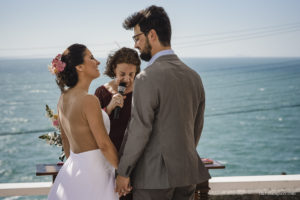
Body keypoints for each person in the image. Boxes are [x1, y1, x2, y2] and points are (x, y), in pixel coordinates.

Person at [115, 5, 211, 200]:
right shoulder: (194, 77)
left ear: (151, 35)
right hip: (186, 175)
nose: (135, 45)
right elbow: (195, 129)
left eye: (137, 38)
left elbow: (139, 130)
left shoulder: (146, 77)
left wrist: (124, 172)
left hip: (152, 181)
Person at [47, 44, 119, 200]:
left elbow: (66, 141)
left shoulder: (63, 98)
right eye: (91, 57)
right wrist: (123, 172)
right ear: (79, 66)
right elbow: (104, 144)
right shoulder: (89, 100)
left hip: (73, 172)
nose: (98, 62)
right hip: (96, 175)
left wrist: (78, 171)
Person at [95, 47, 140, 200]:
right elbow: (93, 126)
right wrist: (108, 108)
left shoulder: (142, 92)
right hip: (108, 159)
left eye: (131, 74)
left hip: (135, 161)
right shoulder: (101, 92)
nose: (127, 79)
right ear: (114, 69)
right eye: (122, 74)